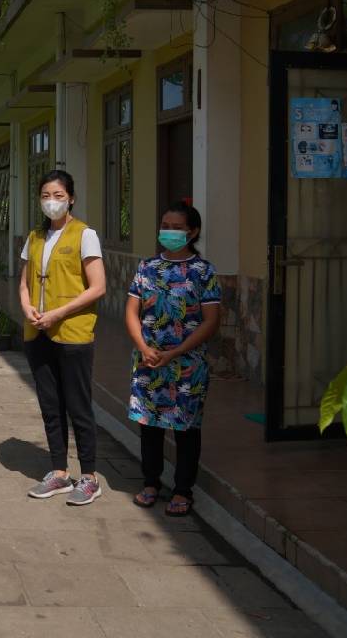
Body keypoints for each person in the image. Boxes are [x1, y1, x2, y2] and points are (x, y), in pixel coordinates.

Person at [125, 202, 220, 517]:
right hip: (149, 361)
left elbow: (210, 320)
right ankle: (151, 483)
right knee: (150, 426)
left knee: (186, 429)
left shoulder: (203, 271)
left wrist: (175, 352)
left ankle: (183, 490)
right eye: (165, 224)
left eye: (177, 227)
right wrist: (144, 347)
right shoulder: (147, 267)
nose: (169, 231)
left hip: (187, 365)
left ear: (192, 232)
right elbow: (131, 311)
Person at [19, 170, 107, 505]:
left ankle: (89, 476)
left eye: (58, 195)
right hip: (37, 332)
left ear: (71, 198)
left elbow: (98, 287)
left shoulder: (84, 235)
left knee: (77, 405)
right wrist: (27, 307)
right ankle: (59, 472)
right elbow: (25, 282)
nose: (51, 201)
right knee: (50, 405)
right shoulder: (35, 236)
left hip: (71, 332)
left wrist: (57, 314)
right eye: (45, 195)